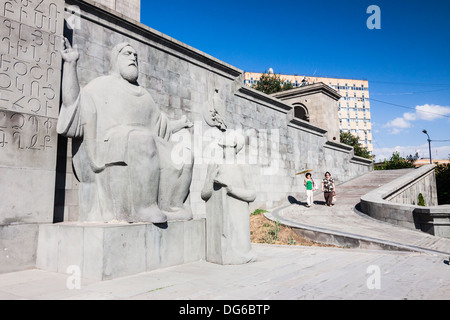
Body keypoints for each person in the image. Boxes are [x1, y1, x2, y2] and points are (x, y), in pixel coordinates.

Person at [57, 38, 194, 223]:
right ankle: (143, 208)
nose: (133, 58)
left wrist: (181, 123)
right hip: (111, 148)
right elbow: (74, 104)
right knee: (142, 139)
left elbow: (162, 125)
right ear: (115, 59)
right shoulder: (101, 85)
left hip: (144, 143)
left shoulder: (144, 95)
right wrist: (70, 64)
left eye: (136, 55)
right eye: (127, 54)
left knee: (184, 153)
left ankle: (174, 206)